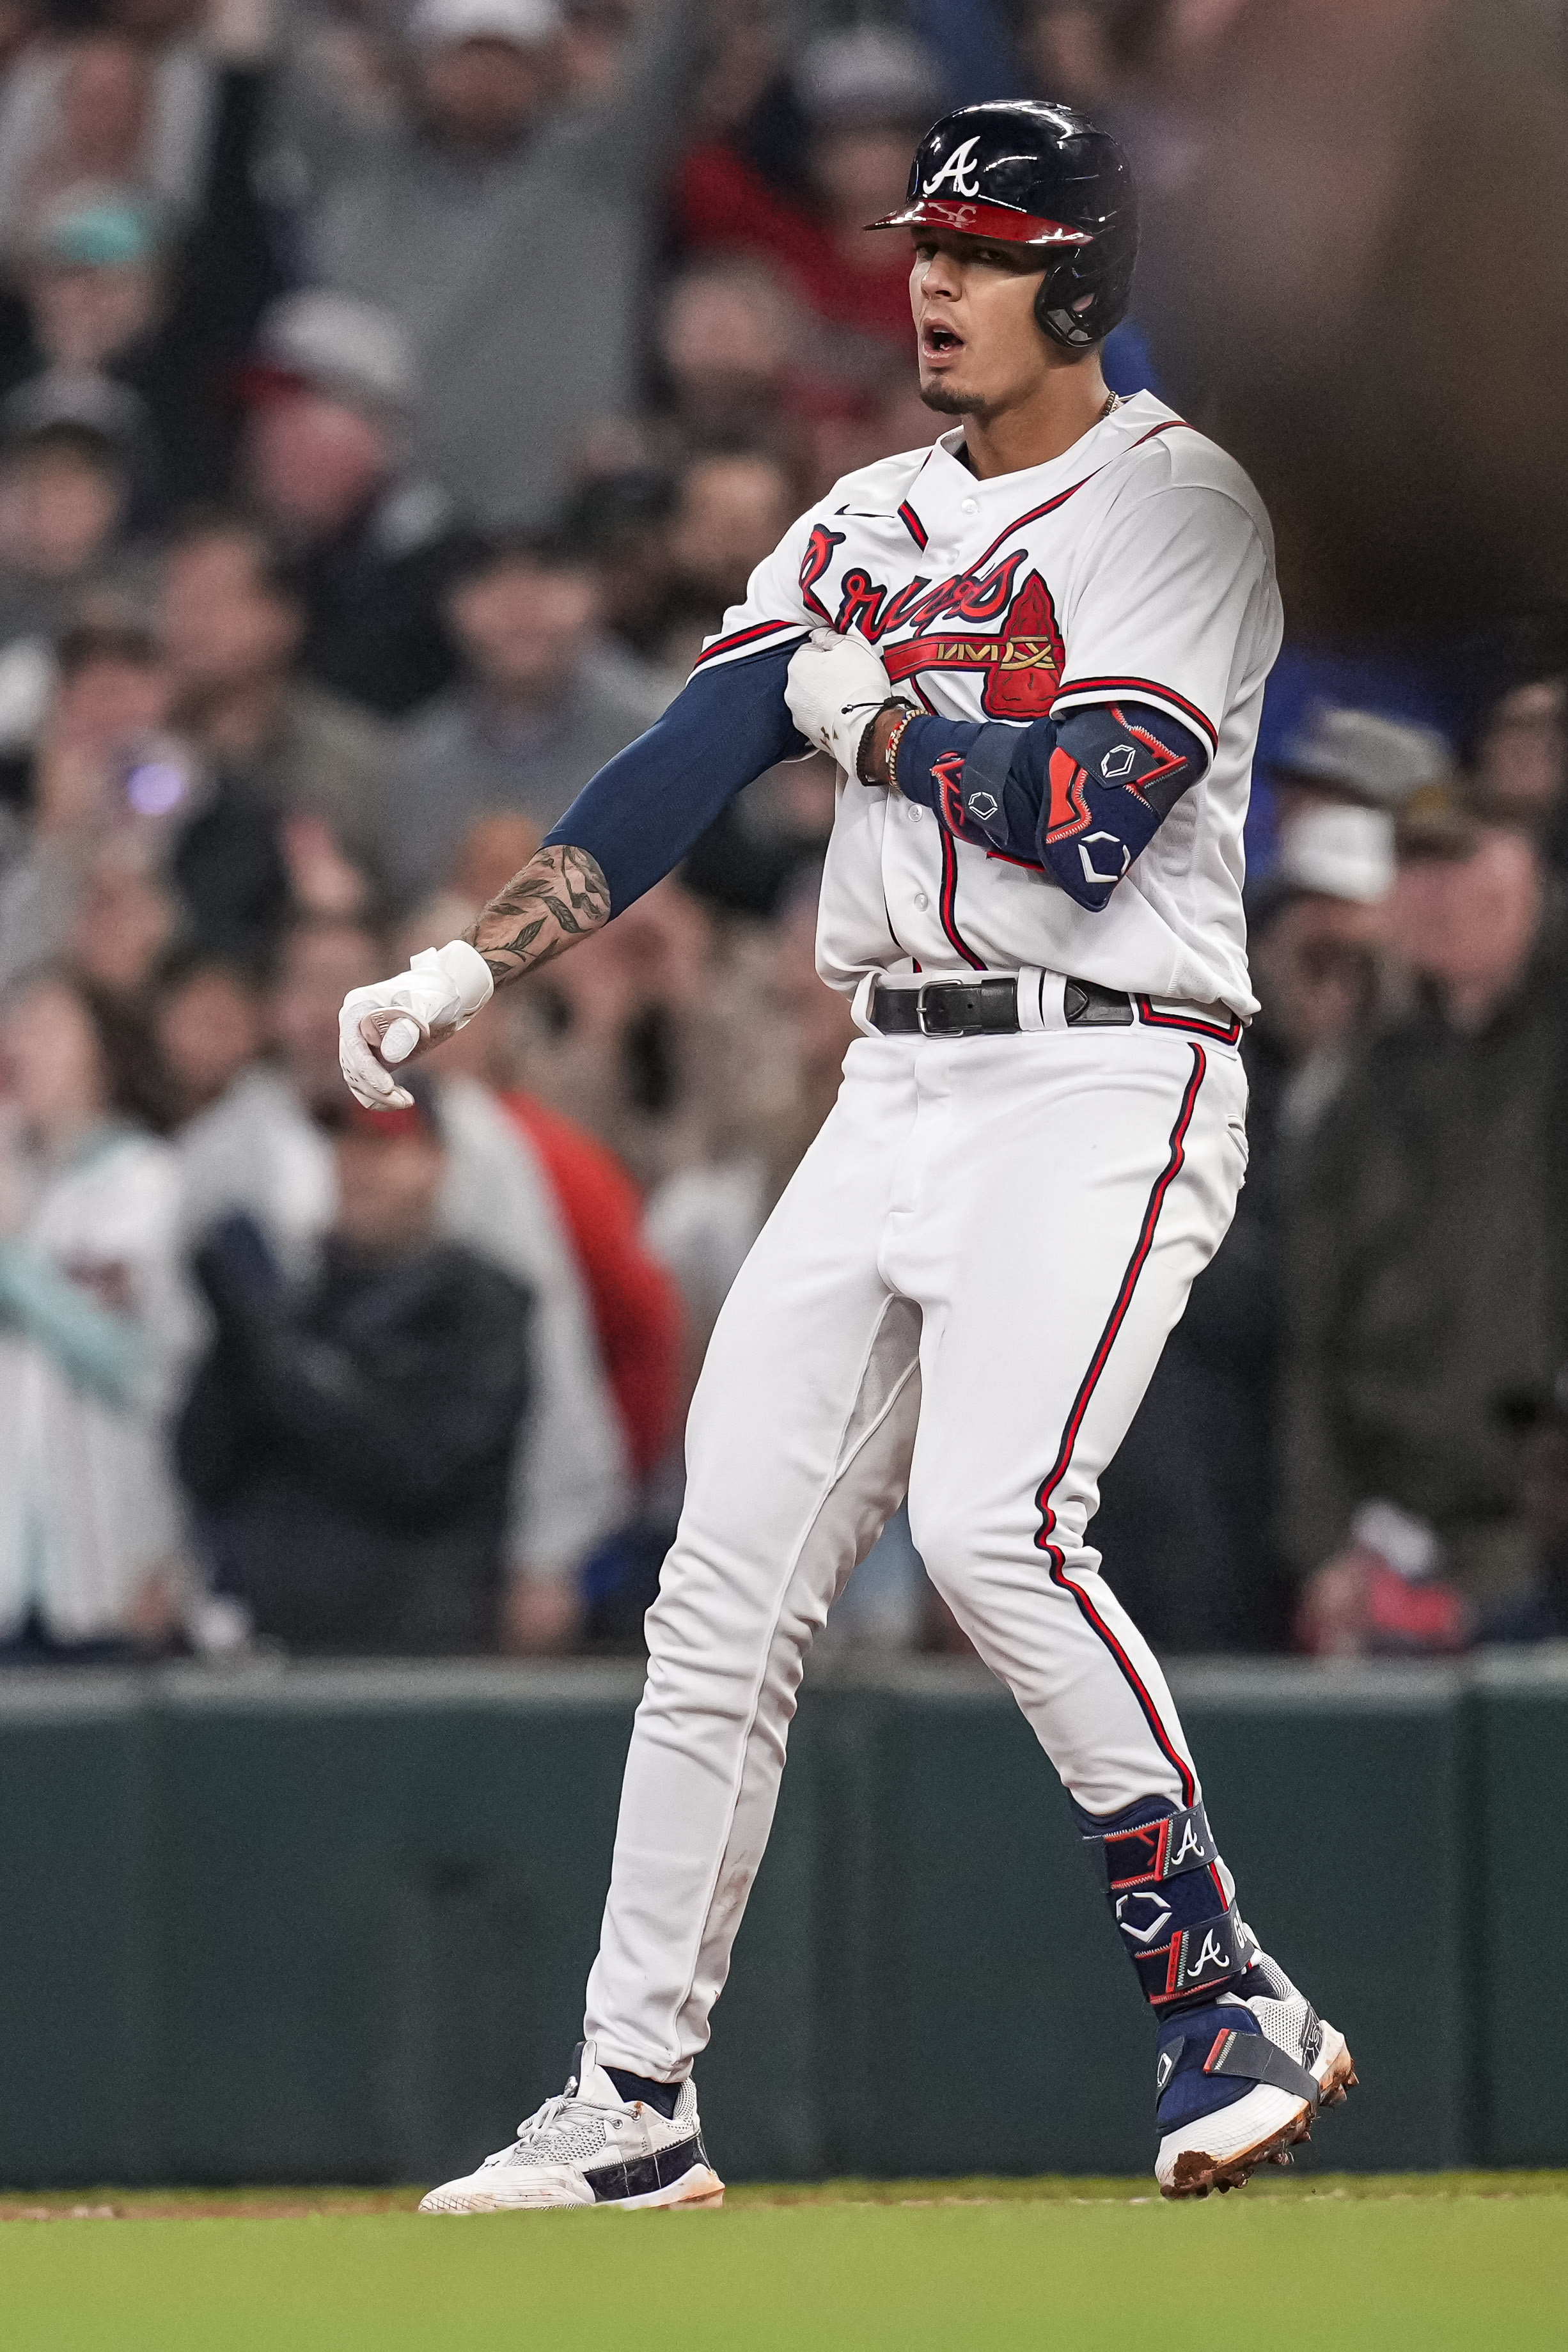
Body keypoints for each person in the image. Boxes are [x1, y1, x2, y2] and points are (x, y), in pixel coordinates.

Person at [340, 101, 1354, 2208]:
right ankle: (633, 2097)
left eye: (982, 252)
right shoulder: (863, 516)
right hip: (895, 1073)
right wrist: (460, 968)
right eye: (925, 245)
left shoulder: (1182, 507)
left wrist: (869, 715)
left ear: (1082, 276)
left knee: (998, 1527)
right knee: (717, 1589)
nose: (931, 281)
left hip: (1111, 1067)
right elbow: (682, 757)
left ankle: (1226, 1988)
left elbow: (1085, 806)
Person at [179, 909, 628, 1624]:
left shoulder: (473, 1143)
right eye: (306, 986)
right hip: (283, 1566)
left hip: (439, 1563)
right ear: (271, 1006)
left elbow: (553, 1353)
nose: (327, 1011)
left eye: (347, 983)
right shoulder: (218, 1157)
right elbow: (178, 1391)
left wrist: (550, 1552)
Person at [1283, 799, 1565, 1652]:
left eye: (1460, 867)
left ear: (1523, 872)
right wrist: (1321, 1541)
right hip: (1393, 1537)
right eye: (1415, 873)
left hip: (1539, 1533)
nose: (1435, 898)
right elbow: (1308, 1334)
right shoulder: (1359, 1087)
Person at [176, 1077, 535, 1654]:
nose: (358, 1167)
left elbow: (419, 1468)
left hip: (422, 1665)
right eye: (346, 1144)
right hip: (285, 1657)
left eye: (383, 1146)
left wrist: (278, 1362)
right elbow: (204, 1465)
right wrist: (230, 1336)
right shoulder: (299, 1300)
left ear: (435, 1163)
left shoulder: (482, 1306)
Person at [0, 966, 194, 1655]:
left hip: (107, 1567)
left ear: (101, 1051)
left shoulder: (144, 1179)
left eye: (48, 1026)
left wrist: (9, 1263)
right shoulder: (15, 1172)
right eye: (17, 1025)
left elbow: (134, 1363)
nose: (22, 1043)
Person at [381, 532, 672, 905]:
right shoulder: (419, 760)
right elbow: (417, 901)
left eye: (548, 573)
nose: (520, 606)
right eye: (490, 579)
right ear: (451, 606)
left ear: (596, 593)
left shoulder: (660, 729)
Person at [235, 289, 476, 719]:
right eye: (263, 418)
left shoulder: (446, 577)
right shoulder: (279, 555)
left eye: (294, 417)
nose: (267, 441)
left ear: (378, 429)